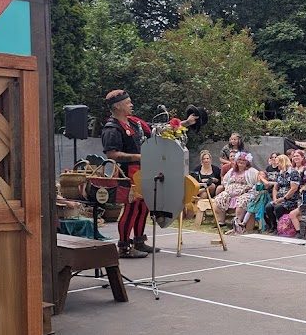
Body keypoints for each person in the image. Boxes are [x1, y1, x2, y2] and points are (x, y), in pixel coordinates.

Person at [100, 89, 198, 258]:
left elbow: (161, 130)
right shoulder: (112, 128)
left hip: (145, 169)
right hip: (127, 172)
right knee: (131, 208)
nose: (131, 104)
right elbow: (112, 154)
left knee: (145, 205)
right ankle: (124, 246)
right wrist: (140, 155)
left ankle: (139, 241)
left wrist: (187, 123)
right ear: (117, 106)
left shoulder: (135, 123)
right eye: (128, 102)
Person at [212, 152, 259, 228]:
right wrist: (228, 188)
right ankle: (221, 222)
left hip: (245, 193)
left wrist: (249, 188)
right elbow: (225, 181)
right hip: (230, 193)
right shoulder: (232, 171)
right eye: (239, 159)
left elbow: (258, 182)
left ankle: (238, 223)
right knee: (219, 199)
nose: (241, 161)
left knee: (242, 201)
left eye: (244, 160)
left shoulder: (252, 171)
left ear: (247, 162)